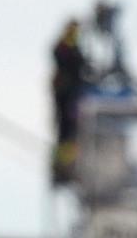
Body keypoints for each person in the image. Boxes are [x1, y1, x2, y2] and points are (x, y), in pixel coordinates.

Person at [50, 18, 90, 188]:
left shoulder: (69, 48)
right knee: (67, 131)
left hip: (70, 96)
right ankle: (64, 165)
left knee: (70, 132)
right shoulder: (64, 48)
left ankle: (67, 164)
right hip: (67, 96)